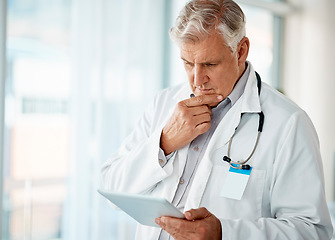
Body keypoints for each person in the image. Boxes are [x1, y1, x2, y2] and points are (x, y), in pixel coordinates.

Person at [101, 0, 333, 239]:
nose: (197, 79)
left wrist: (226, 234)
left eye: (210, 64)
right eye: (188, 63)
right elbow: (112, 188)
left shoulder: (288, 124)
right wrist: (165, 143)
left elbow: (313, 232)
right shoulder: (163, 103)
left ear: (241, 50)